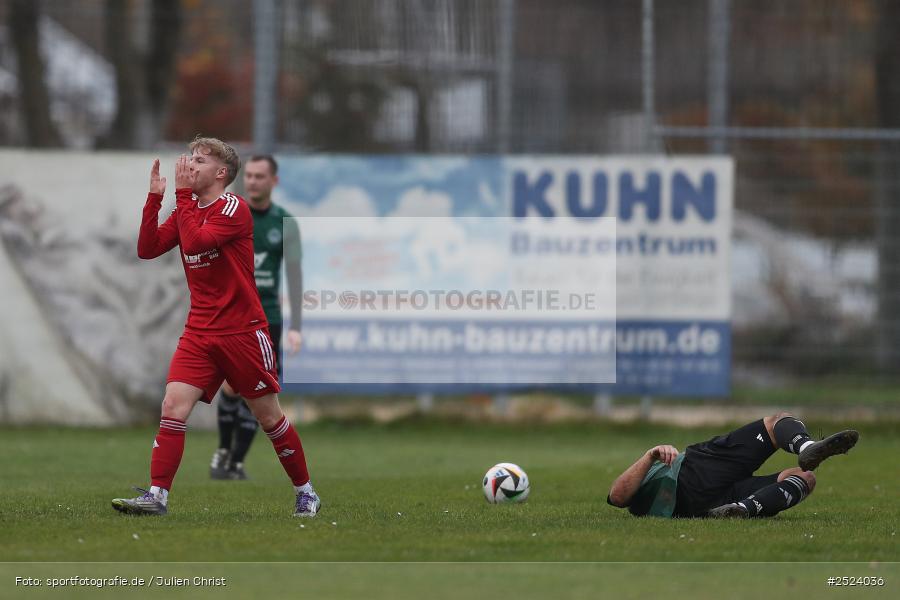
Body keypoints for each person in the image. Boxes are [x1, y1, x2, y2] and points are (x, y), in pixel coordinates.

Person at [112, 136, 321, 518]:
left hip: (243, 331)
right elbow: (147, 248)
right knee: (173, 407)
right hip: (200, 332)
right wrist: (156, 199)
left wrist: (183, 196)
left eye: (200, 160)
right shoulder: (187, 209)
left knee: (269, 417)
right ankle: (158, 496)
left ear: (221, 173)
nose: (190, 164)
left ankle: (305, 491)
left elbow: (194, 244)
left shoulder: (234, 208)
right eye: (190, 157)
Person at [209, 154, 303, 481]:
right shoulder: (233, 214)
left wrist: (297, 327)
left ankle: (235, 460)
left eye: (260, 176)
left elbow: (294, 275)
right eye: (248, 175)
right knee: (232, 386)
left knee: (259, 393)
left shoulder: (284, 222)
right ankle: (224, 452)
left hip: (269, 318)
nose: (252, 181)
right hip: (234, 316)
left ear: (273, 181)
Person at [607, 412, 858, 518]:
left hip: (704, 506)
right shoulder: (647, 481)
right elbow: (617, 495)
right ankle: (805, 447)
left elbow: (619, 496)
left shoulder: (647, 501)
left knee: (805, 478)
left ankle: (741, 509)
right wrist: (650, 455)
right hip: (694, 471)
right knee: (775, 423)